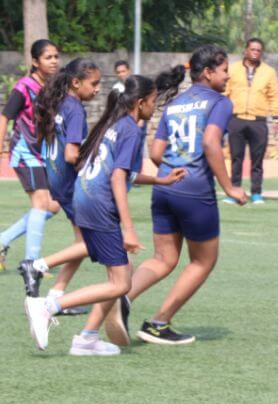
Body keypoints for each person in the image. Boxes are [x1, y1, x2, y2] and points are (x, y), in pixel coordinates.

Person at [23, 75, 185, 355]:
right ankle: (48, 307)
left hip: (84, 199)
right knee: (121, 283)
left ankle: (87, 338)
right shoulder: (131, 130)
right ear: (140, 102)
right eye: (152, 100)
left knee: (122, 270)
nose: (154, 106)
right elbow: (118, 178)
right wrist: (129, 229)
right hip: (98, 206)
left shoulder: (113, 124)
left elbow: (120, 172)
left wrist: (161, 180)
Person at [104, 45, 247, 347]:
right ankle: (159, 323)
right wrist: (229, 187)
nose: (228, 77)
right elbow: (210, 143)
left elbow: (156, 152)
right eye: (224, 71)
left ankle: (122, 297)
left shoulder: (174, 103)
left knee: (163, 258)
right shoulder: (220, 102)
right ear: (208, 72)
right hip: (195, 190)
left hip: (165, 187)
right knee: (203, 261)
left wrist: (174, 168)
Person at [20, 58, 102, 314]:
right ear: (76, 83)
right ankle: (37, 265)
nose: (98, 89)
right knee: (93, 243)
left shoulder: (59, 103)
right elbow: (71, 155)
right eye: (94, 84)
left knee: (81, 244)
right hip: (71, 186)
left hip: (57, 181)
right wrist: (98, 163)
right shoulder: (75, 109)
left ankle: (55, 299)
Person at [0, 40, 60, 273]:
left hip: (42, 154)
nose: (53, 61)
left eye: (55, 56)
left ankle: (3, 240)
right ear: (35, 61)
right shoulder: (24, 86)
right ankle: (32, 263)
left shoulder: (52, 87)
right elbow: (5, 116)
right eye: (48, 57)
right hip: (25, 152)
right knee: (41, 203)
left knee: (53, 206)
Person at [223, 37, 278, 205]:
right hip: (237, 119)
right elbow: (225, 92)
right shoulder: (232, 69)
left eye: (258, 50)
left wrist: (275, 117)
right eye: (252, 49)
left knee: (257, 159)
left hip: (258, 120)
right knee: (236, 158)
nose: (255, 52)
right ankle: (234, 191)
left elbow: (274, 95)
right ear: (246, 50)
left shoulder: (269, 72)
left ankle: (256, 192)